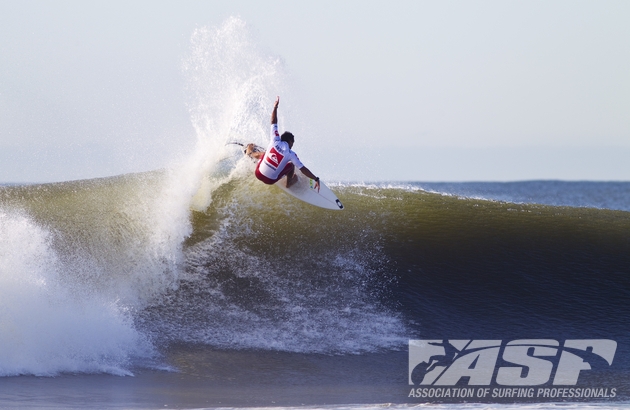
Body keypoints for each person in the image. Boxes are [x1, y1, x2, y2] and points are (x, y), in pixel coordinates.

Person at [246, 96, 320, 190]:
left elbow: (273, 121)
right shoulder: (291, 154)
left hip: (257, 173)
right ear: (290, 141)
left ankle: (250, 154)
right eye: (293, 143)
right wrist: (315, 178)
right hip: (270, 180)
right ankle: (289, 183)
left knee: (265, 154)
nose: (292, 145)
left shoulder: (275, 139)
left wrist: (275, 107)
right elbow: (303, 169)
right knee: (291, 165)